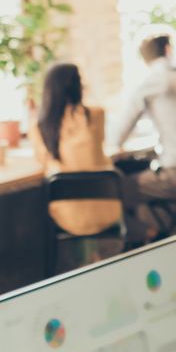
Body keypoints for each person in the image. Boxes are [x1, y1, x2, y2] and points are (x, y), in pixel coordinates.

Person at [109, 32, 176, 235]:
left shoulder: (152, 83)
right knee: (134, 172)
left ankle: (150, 235)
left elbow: (116, 137)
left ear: (143, 59)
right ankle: (146, 240)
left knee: (115, 188)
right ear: (168, 50)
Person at [32, 62, 127, 253]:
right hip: (106, 209)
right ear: (78, 86)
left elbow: (43, 162)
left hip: (67, 217)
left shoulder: (39, 127)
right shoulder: (96, 115)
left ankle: (85, 262)